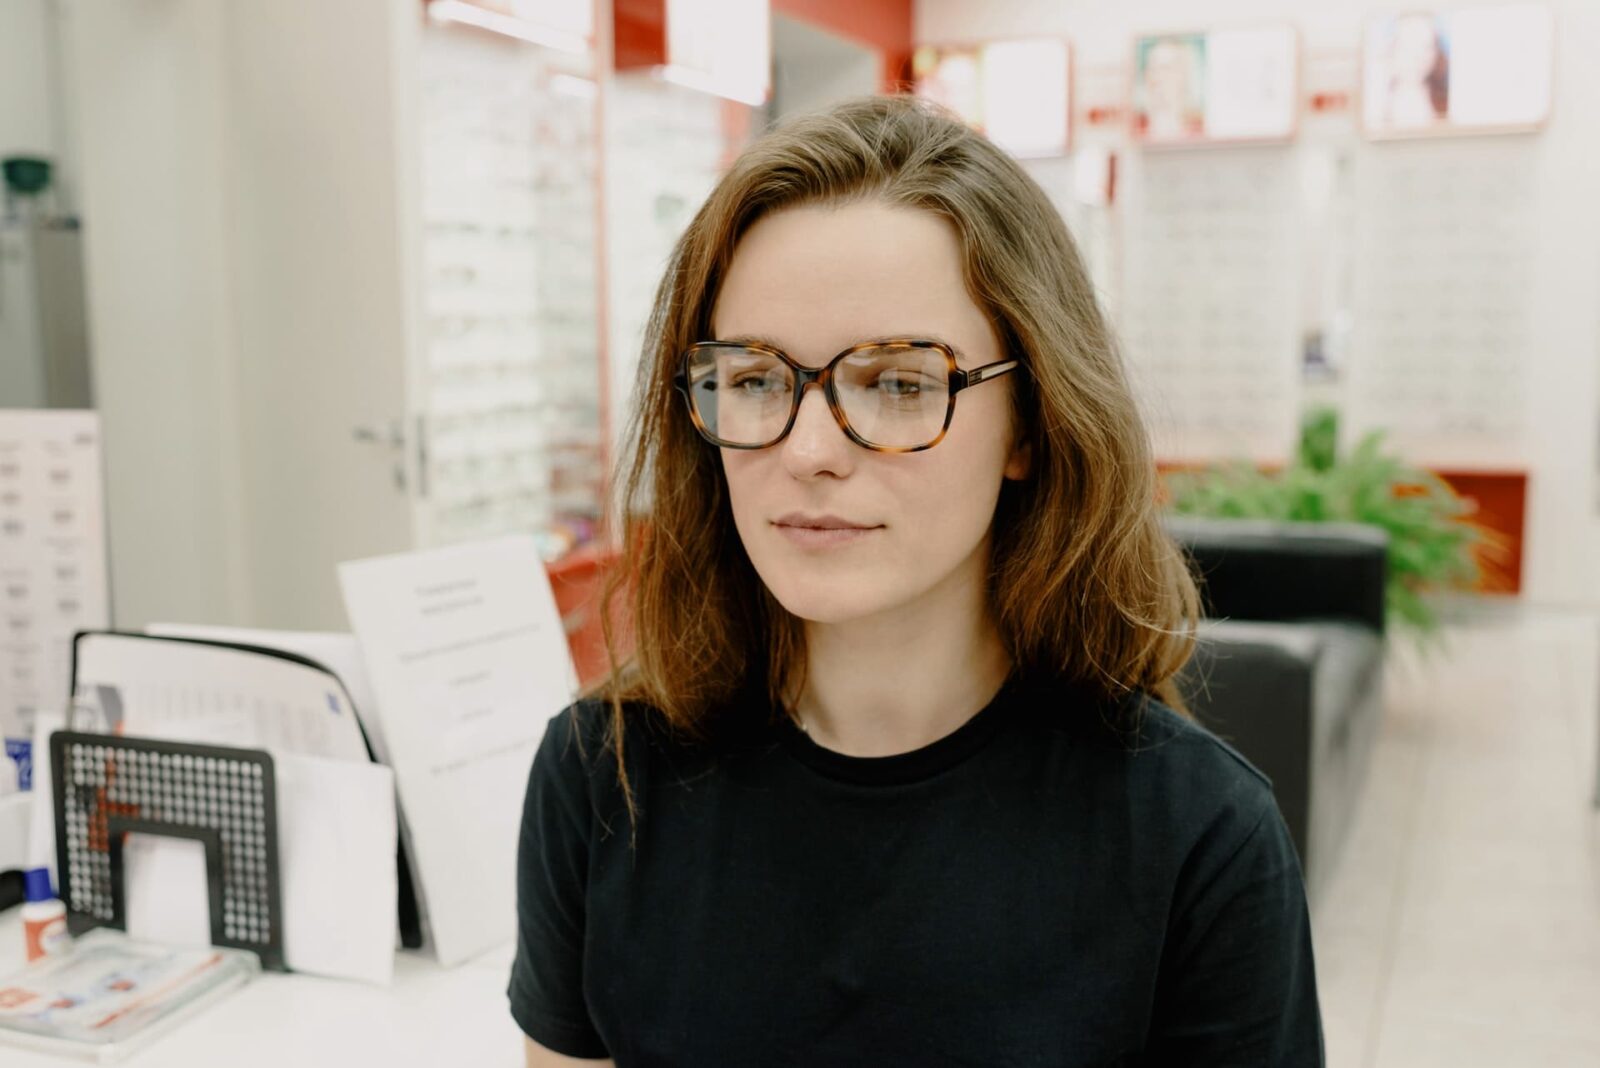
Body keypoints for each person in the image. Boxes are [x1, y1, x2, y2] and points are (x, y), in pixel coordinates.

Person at [509, 95, 1324, 1066]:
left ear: (1029, 421)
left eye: (898, 382)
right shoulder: (603, 777)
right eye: (757, 379)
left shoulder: (1197, 840)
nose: (809, 449)